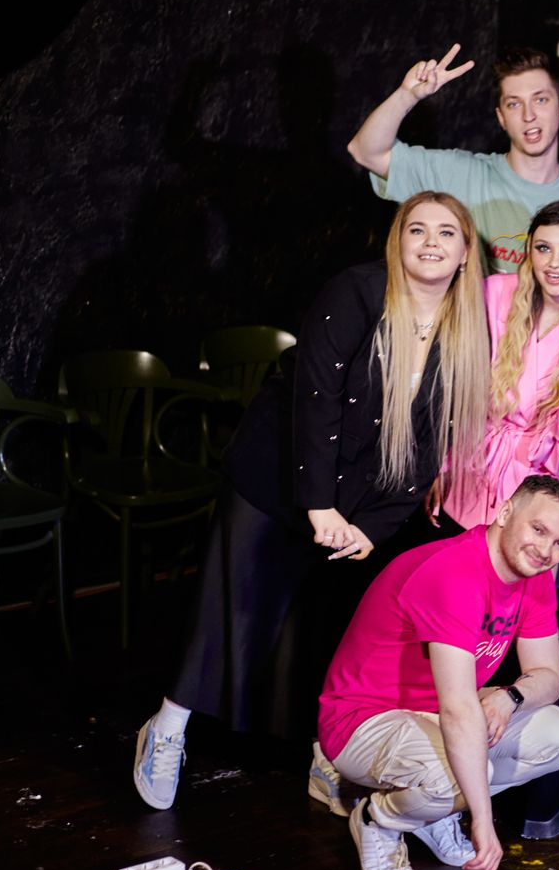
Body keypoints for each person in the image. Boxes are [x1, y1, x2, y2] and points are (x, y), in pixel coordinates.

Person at [131, 191, 491, 813]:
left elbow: (434, 441)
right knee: (233, 605)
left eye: (446, 233)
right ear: (397, 242)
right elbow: (316, 397)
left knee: (327, 626)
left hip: (357, 496)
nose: (431, 242)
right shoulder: (357, 291)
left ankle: (328, 757)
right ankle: (166, 729)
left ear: (465, 253)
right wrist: (318, 503)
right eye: (417, 230)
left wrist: (374, 527)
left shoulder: (466, 328)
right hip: (278, 473)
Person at [318, 476, 559, 870]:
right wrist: (483, 821)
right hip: (363, 720)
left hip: (437, 713)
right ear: (505, 513)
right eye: (538, 529)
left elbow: (549, 678)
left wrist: (510, 697)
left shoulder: (535, 577)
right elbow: (458, 711)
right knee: (462, 774)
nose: (546, 550)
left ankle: (431, 812)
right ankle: (378, 820)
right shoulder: (455, 572)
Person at [434, 200, 559, 530]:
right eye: (544, 248)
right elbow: (446, 382)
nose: (555, 263)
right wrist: (441, 465)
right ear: (529, 250)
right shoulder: (492, 294)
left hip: (538, 496)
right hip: (466, 479)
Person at [348, 44, 559, 273]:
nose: (529, 115)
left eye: (541, 100)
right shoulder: (461, 174)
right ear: (501, 118)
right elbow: (366, 151)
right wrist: (408, 94)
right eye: (514, 104)